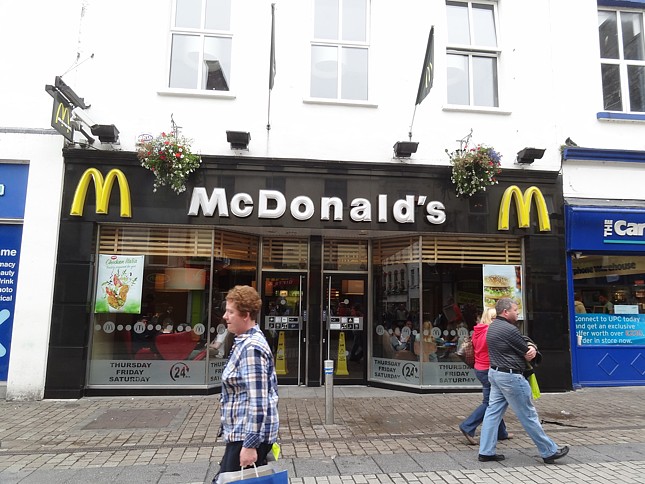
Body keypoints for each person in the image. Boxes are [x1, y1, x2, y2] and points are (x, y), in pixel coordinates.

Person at [478, 298, 569, 464]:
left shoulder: (492, 327)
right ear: (505, 312)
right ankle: (549, 451)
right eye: (515, 310)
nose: (517, 312)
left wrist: (529, 347)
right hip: (511, 377)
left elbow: (522, 343)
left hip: (496, 373)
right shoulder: (509, 329)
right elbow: (526, 351)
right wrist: (533, 348)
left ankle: (486, 451)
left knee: (492, 413)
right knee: (528, 415)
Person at [215, 286, 279, 483]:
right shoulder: (242, 342)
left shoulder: (252, 348)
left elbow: (258, 401)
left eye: (231, 312)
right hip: (240, 433)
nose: (225, 316)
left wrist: (250, 445)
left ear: (246, 315)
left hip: (247, 436)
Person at [459, 308, 511, 445]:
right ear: (490, 319)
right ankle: (468, 426)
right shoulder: (490, 333)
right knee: (490, 403)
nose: (498, 321)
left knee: (496, 399)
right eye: (495, 318)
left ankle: (502, 432)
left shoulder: (478, 330)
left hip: (480, 368)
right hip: (488, 370)